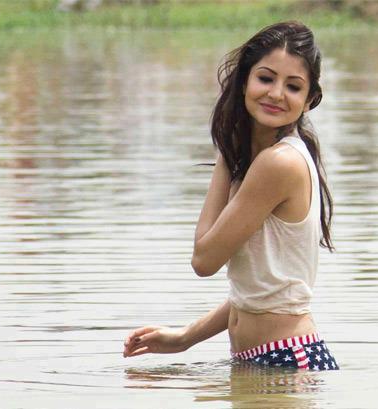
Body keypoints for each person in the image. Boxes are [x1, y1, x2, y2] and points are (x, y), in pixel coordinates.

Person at [123, 21, 338, 371]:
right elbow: (261, 293)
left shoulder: (278, 163)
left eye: (293, 86)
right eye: (266, 79)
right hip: (269, 359)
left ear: (309, 100)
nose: (276, 94)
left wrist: (226, 151)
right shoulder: (264, 161)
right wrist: (184, 338)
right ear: (243, 82)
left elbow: (204, 260)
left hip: (286, 358)